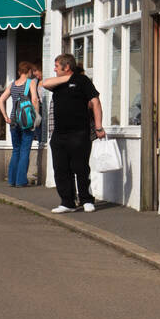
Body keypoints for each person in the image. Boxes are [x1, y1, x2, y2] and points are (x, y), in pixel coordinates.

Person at [41, 53, 104, 212]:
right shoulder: (57, 83)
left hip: (79, 133)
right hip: (59, 134)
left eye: (57, 66)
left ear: (66, 66)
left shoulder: (83, 81)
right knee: (61, 169)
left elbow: (96, 102)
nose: (54, 70)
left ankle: (86, 200)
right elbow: (44, 83)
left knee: (80, 168)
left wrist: (98, 126)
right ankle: (67, 202)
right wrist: (68, 78)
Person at [0, 62, 41, 187]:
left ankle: (12, 180)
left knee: (16, 150)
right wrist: (36, 118)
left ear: (19, 72)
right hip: (26, 121)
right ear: (29, 71)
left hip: (13, 121)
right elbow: (34, 100)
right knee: (24, 150)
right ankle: (21, 181)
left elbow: (1, 100)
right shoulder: (31, 83)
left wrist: (5, 116)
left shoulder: (12, 85)